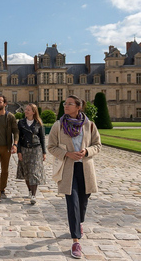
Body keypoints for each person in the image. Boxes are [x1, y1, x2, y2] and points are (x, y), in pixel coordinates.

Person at [47, 95, 101, 259]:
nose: (66, 106)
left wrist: (86, 152)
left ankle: (79, 222)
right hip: (68, 169)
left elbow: (97, 145)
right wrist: (67, 154)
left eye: (70, 104)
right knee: (73, 203)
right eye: (65, 103)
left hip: (85, 169)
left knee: (84, 199)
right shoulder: (58, 125)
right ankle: (75, 241)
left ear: (78, 107)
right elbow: (51, 146)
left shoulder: (89, 125)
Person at [16, 103, 46, 205]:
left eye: (28, 110)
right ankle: (29, 190)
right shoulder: (21, 123)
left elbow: (42, 138)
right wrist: (18, 151)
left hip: (36, 149)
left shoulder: (39, 123)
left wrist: (44, 152)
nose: (26, 111)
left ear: (33, 112)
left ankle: (33, 195)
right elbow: (18, 139)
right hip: (24, 149)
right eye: (25, 109)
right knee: (27, 173)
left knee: (34, 172)